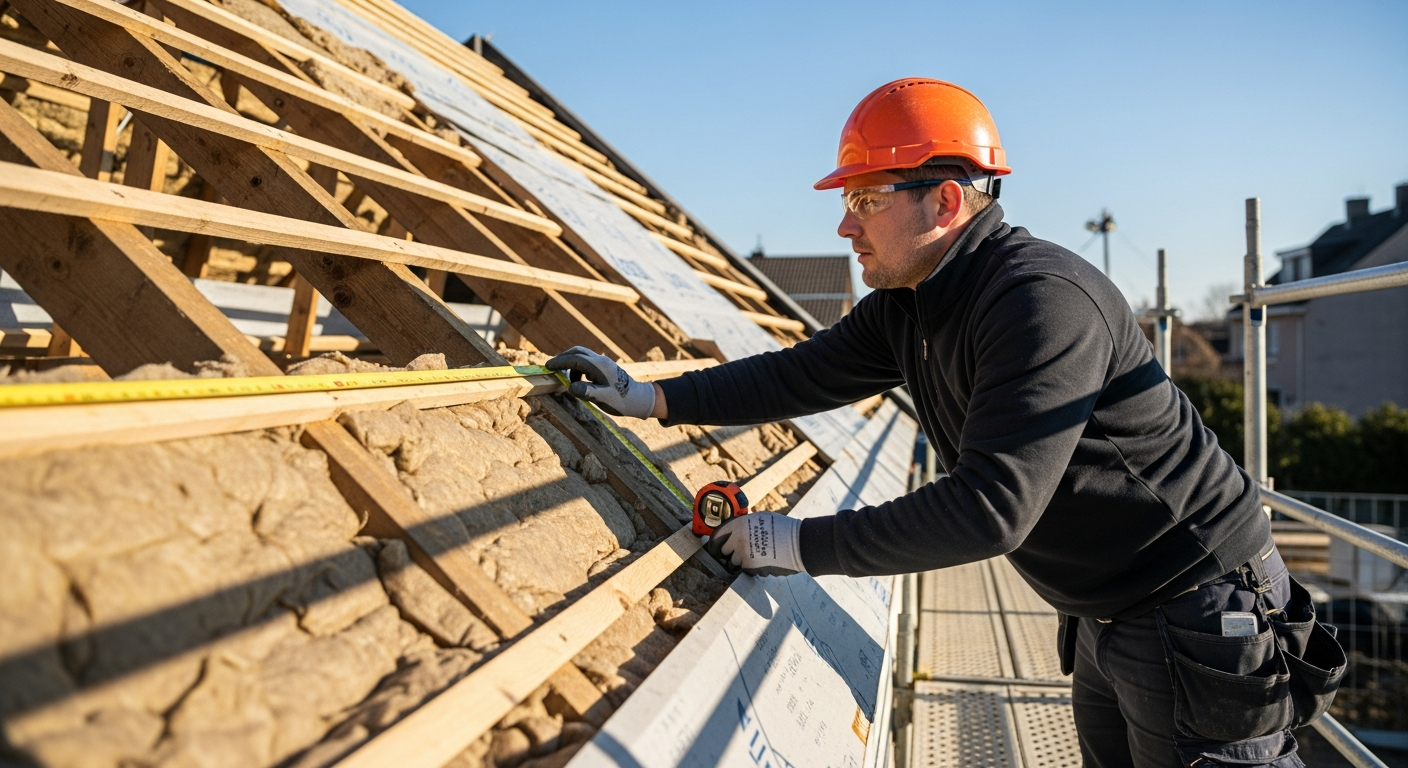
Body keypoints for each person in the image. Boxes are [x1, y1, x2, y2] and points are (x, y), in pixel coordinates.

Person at [546, 78, 1341, 768]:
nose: (844, 226)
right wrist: (651, 398)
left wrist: (791, 544)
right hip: (1109, 611)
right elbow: (801, 373)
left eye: (864, 199)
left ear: (946, 200)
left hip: (1195, 607)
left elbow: (989, 508)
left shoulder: (1040, 303)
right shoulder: (913, 302)